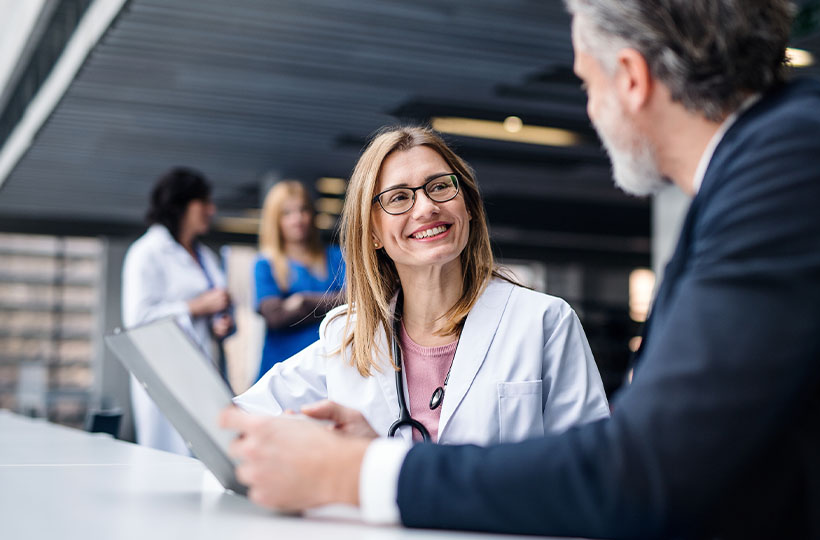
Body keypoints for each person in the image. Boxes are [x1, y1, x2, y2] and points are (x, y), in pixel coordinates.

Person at [221, 1, 820, 537]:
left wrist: (353, 475)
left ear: (631, 77)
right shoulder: (773, 165)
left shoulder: (797, 174)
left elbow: (643, 472)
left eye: (586, 79)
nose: (590, 101)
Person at [233, 126, 609, 448]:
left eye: (440, 187)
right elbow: (235, 422)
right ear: (374, 232)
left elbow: (592, 472)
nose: (426, 207)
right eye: (398, 197)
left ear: (469, 207)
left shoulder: (544, 321)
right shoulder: (347, 335)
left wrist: (383, 462)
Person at [124, 167, 234, 455]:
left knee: (209, 455)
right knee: (167, 458)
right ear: (181, 205)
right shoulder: (146, 253)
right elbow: (137, 320)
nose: (212, 210)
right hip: (165, 371)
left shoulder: (206, 256)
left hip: (204, 369)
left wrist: (219, 323)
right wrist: (196, 307)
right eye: (204, 202)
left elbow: (214, 311)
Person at [253, 180, 345, 380]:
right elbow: (275, 316)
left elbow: (355, 300)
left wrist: (302, 302)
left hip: (330, 367)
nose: (298, 219)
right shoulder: (265, 264)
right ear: (275, 220)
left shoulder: (336, 257)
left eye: (303, 210)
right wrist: (331, 303)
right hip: (282, 370)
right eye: (287, 213)